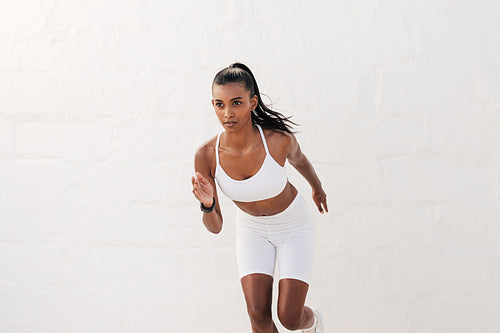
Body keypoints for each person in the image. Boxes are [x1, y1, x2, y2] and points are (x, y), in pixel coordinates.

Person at [191, 63, 328, 333]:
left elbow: (300, 162)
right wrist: (207, 205)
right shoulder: (206, 154)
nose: (227, 113)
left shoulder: (278, 140)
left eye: (236, 103)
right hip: (252, 230)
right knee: (257, 314)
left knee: (289, 318)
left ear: (252, 102)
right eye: (219, 104)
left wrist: (317, 187)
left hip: (293, 227)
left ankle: (313, 322)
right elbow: (216, 227)